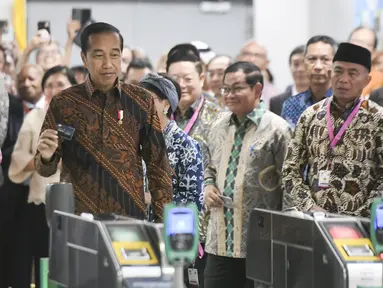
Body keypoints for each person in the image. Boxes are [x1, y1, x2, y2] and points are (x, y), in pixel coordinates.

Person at [35, 22, 172, 221]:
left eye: (115, 54)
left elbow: (158, 166)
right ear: (84, 58)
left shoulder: (141, 101)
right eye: (99, 55)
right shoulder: (64, 103)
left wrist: (162, 224)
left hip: (128, 216)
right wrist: (46, 157)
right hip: (78, 217)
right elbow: (44, 169)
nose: (108, 63)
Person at [203, 61, 292, 288]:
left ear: (258, 90)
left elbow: (291, 185)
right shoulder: (217, 126)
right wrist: (208, 186)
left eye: (237, 88)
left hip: (262, 243)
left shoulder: (278, 130)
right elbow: (209, 168)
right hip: (220, 242)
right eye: (226, 89)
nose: (229, 95)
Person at [282, 42, 383, 217]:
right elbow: (290, 169)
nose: (343, 79)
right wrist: (309, 207)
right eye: (338, 71)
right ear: (331, 73)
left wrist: (361, 215)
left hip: (362, 224)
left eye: (352, 73)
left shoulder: (377, 118)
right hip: (315, 221)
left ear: (366, 80)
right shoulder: (310, 115)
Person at [8, 65, 77, 288]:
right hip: (42, 202)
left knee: (76, 261)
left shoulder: (87, 118)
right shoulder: (35, 118)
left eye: (60, 84)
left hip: (79, 204)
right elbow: (18, 160)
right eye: (49, 85)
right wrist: (44, 158)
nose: (54, 89)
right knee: (44, 262)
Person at [140, 73, 203, 211]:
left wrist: (154, 198)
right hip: (136, 225)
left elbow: (195, 201)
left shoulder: (185, 145)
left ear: (166, 104)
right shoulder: (136, 140)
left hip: (170, 228)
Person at [281, 36, 337, 128]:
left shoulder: (345, 104)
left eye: (325, 60)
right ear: (304, 62)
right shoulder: (290, 105)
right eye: (312, 59)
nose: (318, 66)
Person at [270, 45, 309, 116]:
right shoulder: (276, 102)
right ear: (290, 66)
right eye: (296, 64)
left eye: (305, 64)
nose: (300, 69)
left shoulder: (322, 98)